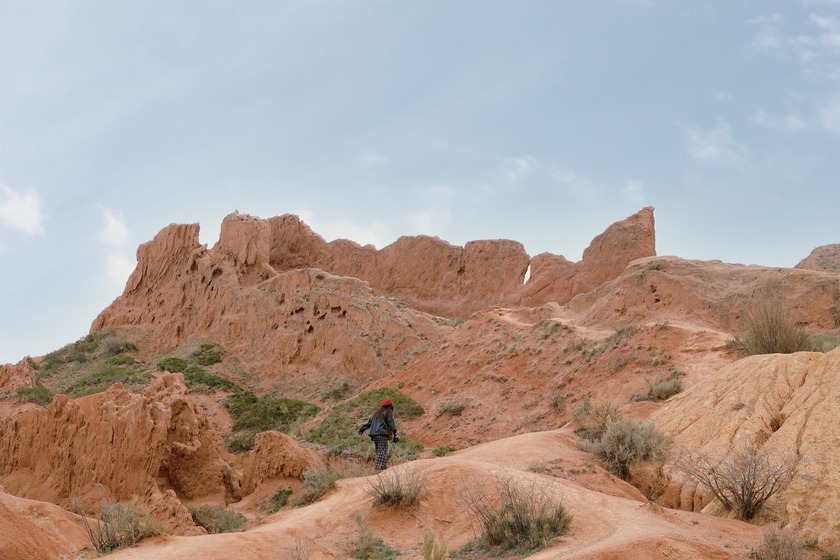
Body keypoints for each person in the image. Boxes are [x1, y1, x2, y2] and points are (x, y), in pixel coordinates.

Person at [358, 399, 399, 472]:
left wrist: (361, 429)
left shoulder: (376, 414)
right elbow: (391, 423)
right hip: (382, 434)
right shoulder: (388, 413)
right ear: (390, 406)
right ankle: (380, 469)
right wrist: (396, 434)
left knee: (378, 451)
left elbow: (369, 424)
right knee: (382, 451)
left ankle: (378, 468)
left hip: (374, 435)